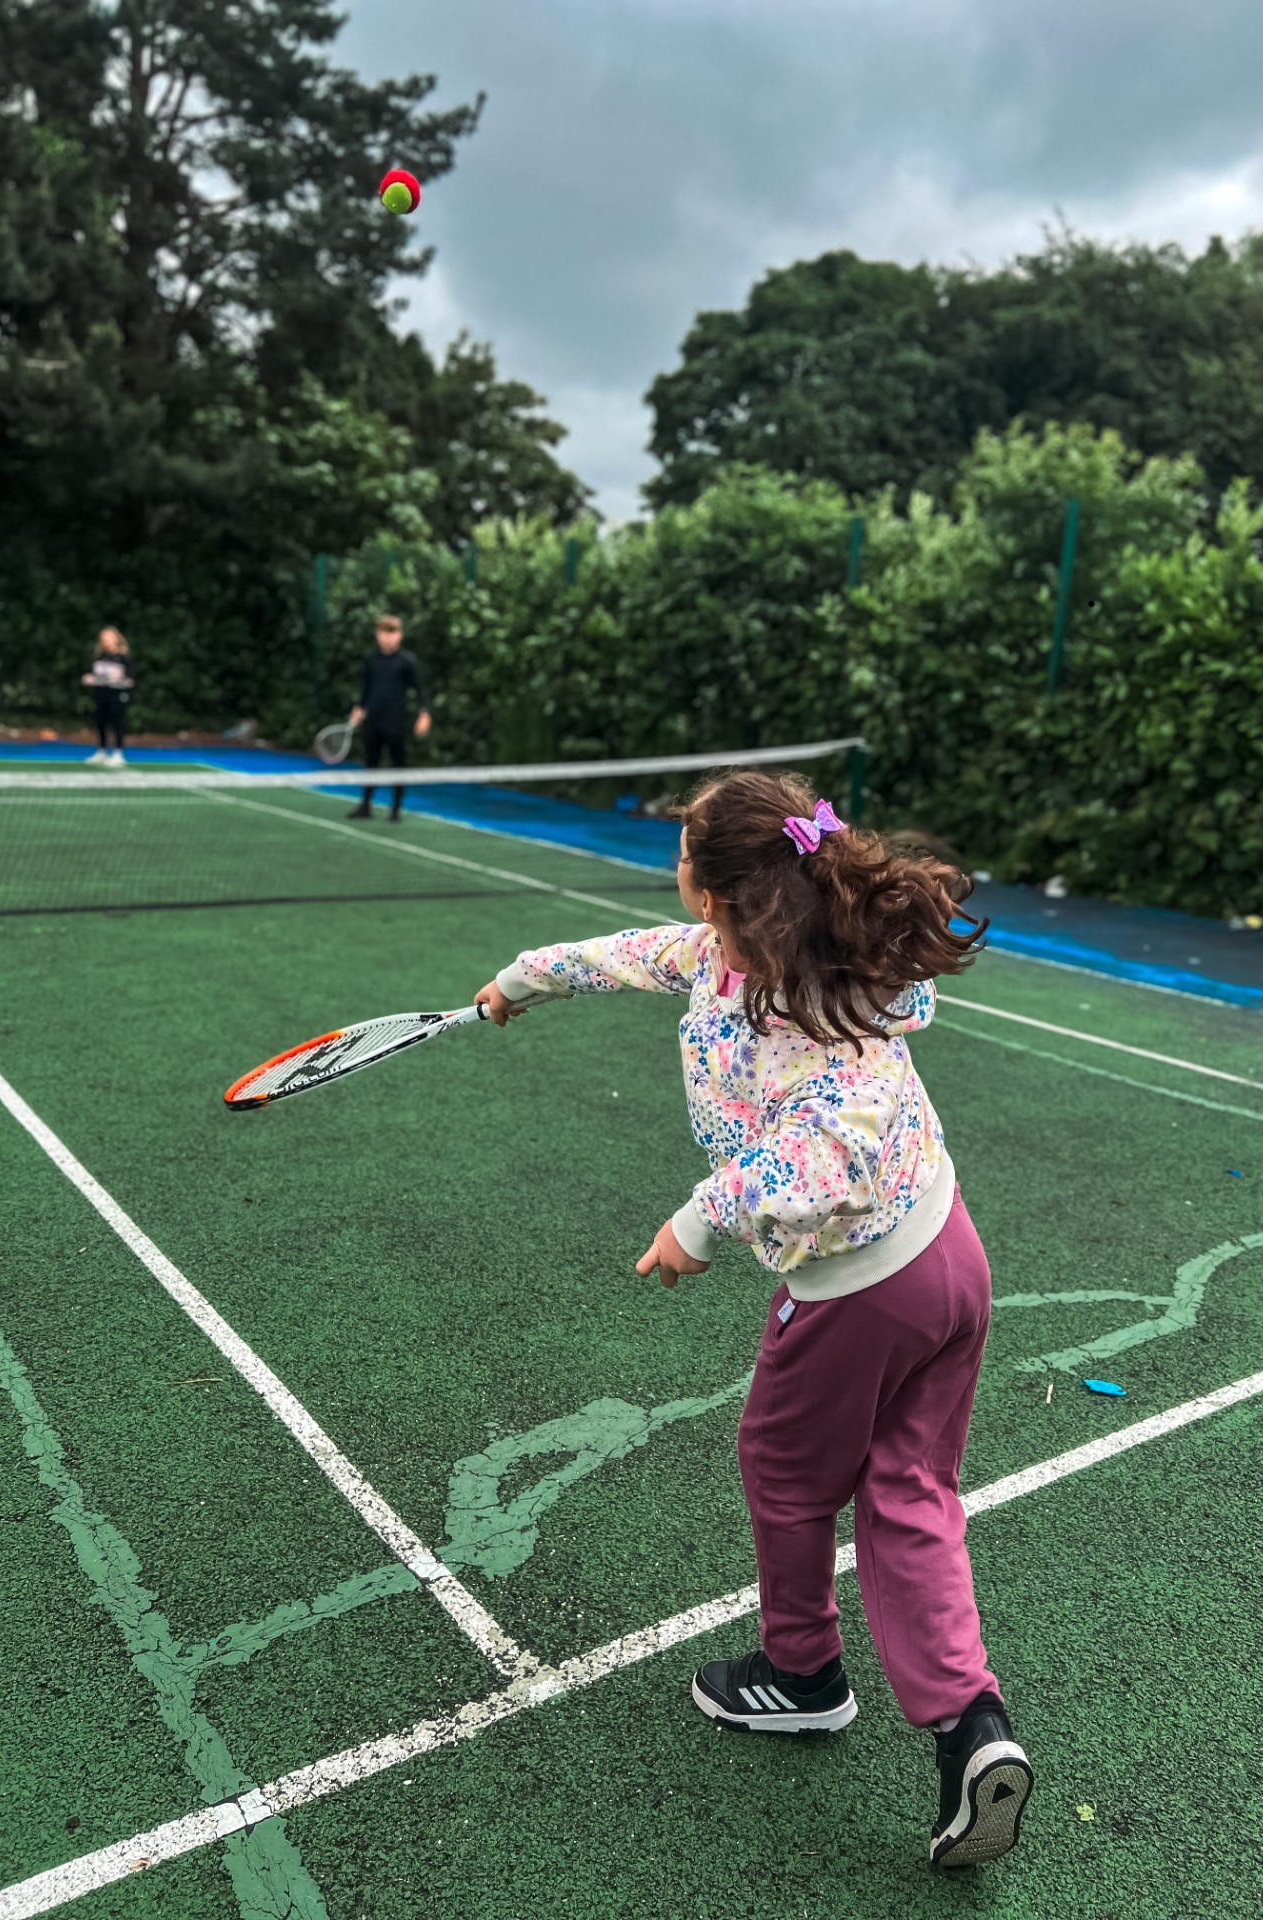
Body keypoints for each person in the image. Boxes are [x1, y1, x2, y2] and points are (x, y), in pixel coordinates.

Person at [473, 771, 1034, 1871]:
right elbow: (624, 955)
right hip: (949, 1256)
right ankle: (973, 1730)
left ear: (716, 892)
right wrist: (519, 982)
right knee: (910, 1489)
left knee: (783, 1470)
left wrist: (699, 1218)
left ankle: (803, 1673)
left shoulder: (799, 1005)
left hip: (864, 1290)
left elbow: (826, 1154)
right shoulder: (751, 955)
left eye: (683, 850)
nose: (674, 865)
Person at [347, 614, 430, 822]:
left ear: (399, 635)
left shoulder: (407, 661)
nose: (388, 638)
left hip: (395, 722)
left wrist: (424, 713)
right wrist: (359, 709)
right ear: (378, 634)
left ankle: (396, 809)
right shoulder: (371, 661)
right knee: (370, 763)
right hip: (372, 722)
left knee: (398, 765)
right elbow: (366, 689)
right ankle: (365, 806)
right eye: (384, 633)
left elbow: (420, 690)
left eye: (392, 633)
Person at [80, 626, 135, 767]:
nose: (106, 641)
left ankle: (118, 753)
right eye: (103, 639)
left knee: (117, 722)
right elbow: (97, 676)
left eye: (109, 638)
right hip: (101, 694)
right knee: (101, 722)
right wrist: (90, 679)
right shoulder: (99, 656)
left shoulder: (123, 658)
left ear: (116, 639)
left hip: (117, 694)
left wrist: (119, 679)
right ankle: (101, 751)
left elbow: (130, 681)